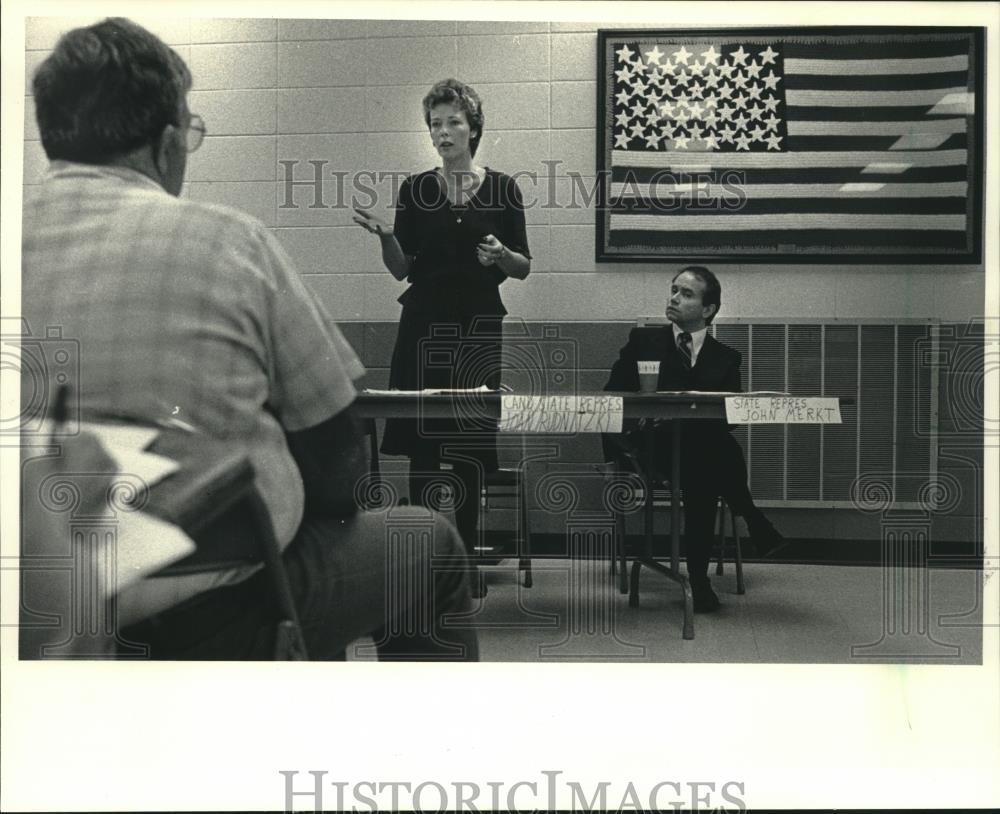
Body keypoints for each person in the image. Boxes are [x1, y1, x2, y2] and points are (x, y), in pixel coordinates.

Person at [21, 18, 477, 660]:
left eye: (451, 123)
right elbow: (339, 456)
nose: (443, 133)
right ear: (169, 140)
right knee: (427, 544)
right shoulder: (231, 242)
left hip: (28, 607)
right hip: (210, 609)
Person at [353, 78, 531, 597]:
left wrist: (501, 255)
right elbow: (401, 268)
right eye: (436, 123)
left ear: (474, 128)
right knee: (423, 446)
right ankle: (427, 563)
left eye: (454, 121)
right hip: (423, 325)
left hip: (477, 326)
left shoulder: (503, 188)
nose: (444, 131)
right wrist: (388, 236)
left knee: (471, 448)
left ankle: (466, 559)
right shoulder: (416, 189)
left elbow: (523, 266)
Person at [603, 266, 783, 613]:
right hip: (651, 447)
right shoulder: (643, 342)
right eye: (673, 290)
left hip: (698, 452)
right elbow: (612, 396)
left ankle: (698, 578)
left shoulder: (726, 358)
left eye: (686, 294)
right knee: (713, 454)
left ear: (708, 310)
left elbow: (729, 421)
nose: (673, 298)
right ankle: (749, 523)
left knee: (705, 462)